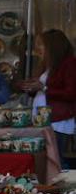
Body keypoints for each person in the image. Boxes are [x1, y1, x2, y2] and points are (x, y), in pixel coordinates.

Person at [17, 28, 76, 167]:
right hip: (43, 119)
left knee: (57, 159)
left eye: (42, 45)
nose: (39, 50)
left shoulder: (70, 64)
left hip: (59, 121)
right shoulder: (48, 66)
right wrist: (30, 88)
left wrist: (43, 88)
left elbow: (71, 93)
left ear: (54, 46)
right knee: (46, 158)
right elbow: (43, 88)